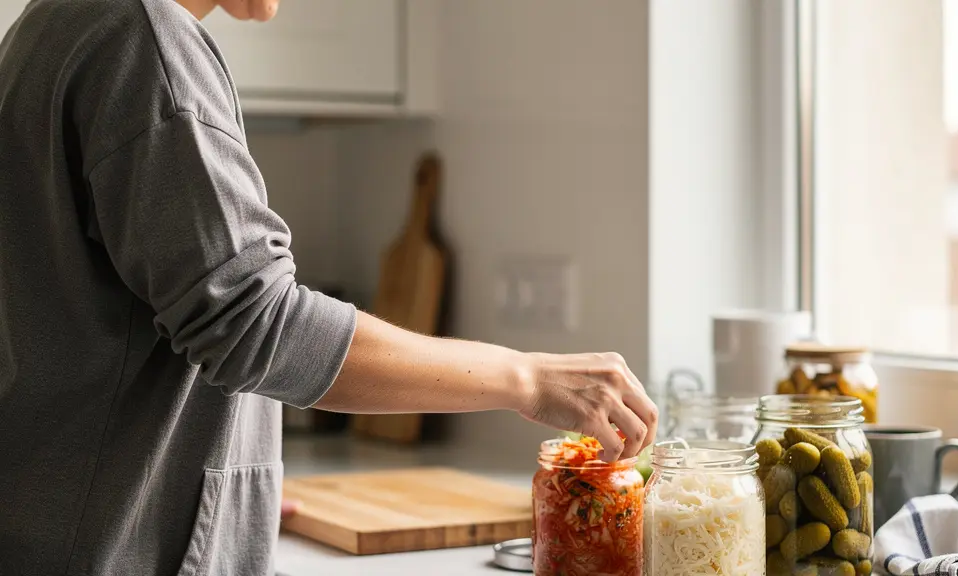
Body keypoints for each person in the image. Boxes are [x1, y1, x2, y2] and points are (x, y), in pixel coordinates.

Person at [0, 0, 658, 574]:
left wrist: (229, 497)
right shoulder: (141, 40)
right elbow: (259, 326)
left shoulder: (53, 25)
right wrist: (527, 378)